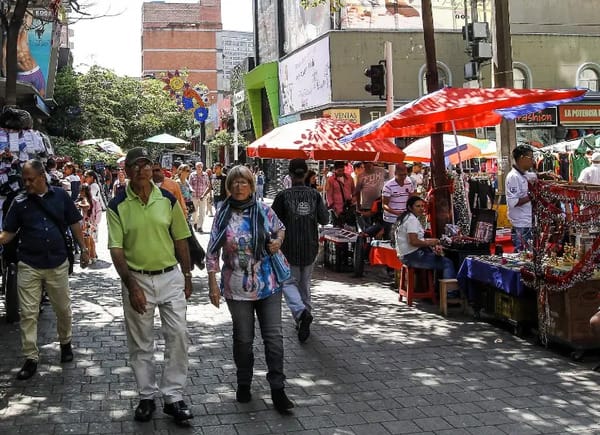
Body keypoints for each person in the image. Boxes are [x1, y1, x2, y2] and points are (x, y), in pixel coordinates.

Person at [107, 147, 194, 424]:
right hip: (137, 278)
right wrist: (131, 286)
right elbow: (116, 250)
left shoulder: (167, 199)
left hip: (170, 277)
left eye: (147, 165)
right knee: (141, 342)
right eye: (137, 165)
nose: (143, 170)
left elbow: (181, 238)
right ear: (128, 171)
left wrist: (188, 275)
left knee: (178, 334)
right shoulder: (117, 205)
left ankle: (173, 396)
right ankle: (146, 396)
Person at [206, 165, 294, 414]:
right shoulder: (223, 213)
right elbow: (212, 250)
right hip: (236, 287)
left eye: (244, 182)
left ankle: (278, 388)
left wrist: (277, 241)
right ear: (228, 186)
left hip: (268, 284)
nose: (239, 186)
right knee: (243, 339)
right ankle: (243, 382)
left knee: (274, 338)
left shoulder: (264, 210)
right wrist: (212, 284)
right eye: (234, 182)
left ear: (251, 186)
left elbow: (281, 229)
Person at [0, 159, 89, 380]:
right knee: (28, 313)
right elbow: (8, 233)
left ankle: (65, 343)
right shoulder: (19, 201)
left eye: (30, 179)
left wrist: (84, 249)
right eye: (24, 179)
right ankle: (30, 357)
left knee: (63, 309)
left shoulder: (60, 196)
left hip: (57, 263)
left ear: (42, 176)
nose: (27, 183)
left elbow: (74, 223)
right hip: (29, 263)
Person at [272, 159, 329, 342]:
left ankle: (300, 313)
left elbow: (272, 222)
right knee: (305, 284)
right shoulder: (315, 195)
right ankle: (304, 317)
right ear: (305, 173)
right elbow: (325, 219)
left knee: (288, 283)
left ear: (289, 174)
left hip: (289, 247)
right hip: (310, 246)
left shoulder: (282, 196)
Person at [395, 195, 456, 280]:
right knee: (447, 263)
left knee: (438, 257)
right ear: (410, 207)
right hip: (411, 256)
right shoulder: (411, 220)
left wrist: (433, 242)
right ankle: (449, 293)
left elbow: (417, 239)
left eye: (422, 206)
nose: (421, 208)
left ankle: (437, 289)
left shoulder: (407, 217)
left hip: (406, 255)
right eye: (418, 206)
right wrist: (429, 242)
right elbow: (414, 241)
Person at [506, 145, 537, 252]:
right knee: (522, 255)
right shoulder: (513, 177)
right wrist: (532, 195)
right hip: (521, 224)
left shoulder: (524, 175)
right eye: (531, 157)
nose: (533, 161)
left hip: (528, 222)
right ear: (522, 158)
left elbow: (534, 176)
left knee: (529, 254)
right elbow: (513, 202)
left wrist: (545, 175)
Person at [382, 163, 415, 239]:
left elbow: (411, 199)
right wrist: (397, 213)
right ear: (395, 173)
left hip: (404, 219)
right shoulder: (388, 186)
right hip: (391, 219)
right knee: (391, 241)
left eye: (405, 174)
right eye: (401, 175)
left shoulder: (409, 183)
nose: (403, 177)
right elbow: (384, 205)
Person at [325, 160, 356, 227]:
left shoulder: (349, 178)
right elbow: (329, 194)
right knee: (338, 229)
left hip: (348, 207)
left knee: (351, 227)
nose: (341, 172)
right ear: (335, 170)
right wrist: (333, 208)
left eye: (342, 170)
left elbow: (353, 190)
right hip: (337, 208)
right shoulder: (331, 179)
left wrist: (354, 199)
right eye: (339, 171)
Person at [76, 183, 102, 263]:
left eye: (81, 191)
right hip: (91, 223)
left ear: (84, 191)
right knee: (91, 241)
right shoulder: (93, 199)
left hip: (87, 224)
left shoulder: (87, 200)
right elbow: (99, 211)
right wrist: (96, 222)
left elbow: (95, 210)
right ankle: (93, 256)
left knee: (88, 242)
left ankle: (90, 257)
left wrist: (79, 204)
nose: (80, 192)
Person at [189, 161, 211, 232]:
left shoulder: (205, 175)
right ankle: (195, 223)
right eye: (198, 166)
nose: (199, 168)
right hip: (194, 196)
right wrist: (192, 191)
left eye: (201, 166)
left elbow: (208, 185)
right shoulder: (192, 175)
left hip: (202, 197)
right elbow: (189, 185)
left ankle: (200, 227)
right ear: (196, 167)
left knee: (202, 213)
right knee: (194, 213)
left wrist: (205, 195)